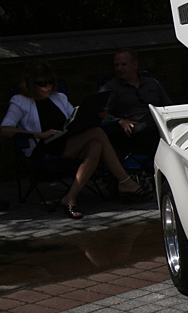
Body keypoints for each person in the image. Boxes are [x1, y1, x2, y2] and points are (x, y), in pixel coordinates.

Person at [1, 61, 151, 218]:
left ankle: (70, 197)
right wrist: (38, 134)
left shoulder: (59, 97)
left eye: (51, 82)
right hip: (43, 147)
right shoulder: (20, 102)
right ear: (30, 84)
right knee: (96, 134)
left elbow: (74, 119)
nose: (47, 87)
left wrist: (97, 116)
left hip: (65, 142)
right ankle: (125, 181)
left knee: (95, 145)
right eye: (41, 84)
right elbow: (5, 130)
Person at [101, 48, 172, 158]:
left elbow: (168, 107)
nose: (119, 68)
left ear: (135, 65)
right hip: (133, 129)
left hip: (157, 123)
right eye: (116, 65)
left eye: (123, 64)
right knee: (145, 130)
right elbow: (102, 114)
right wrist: (119, 121)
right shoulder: (110, 88)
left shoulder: (152, 83)